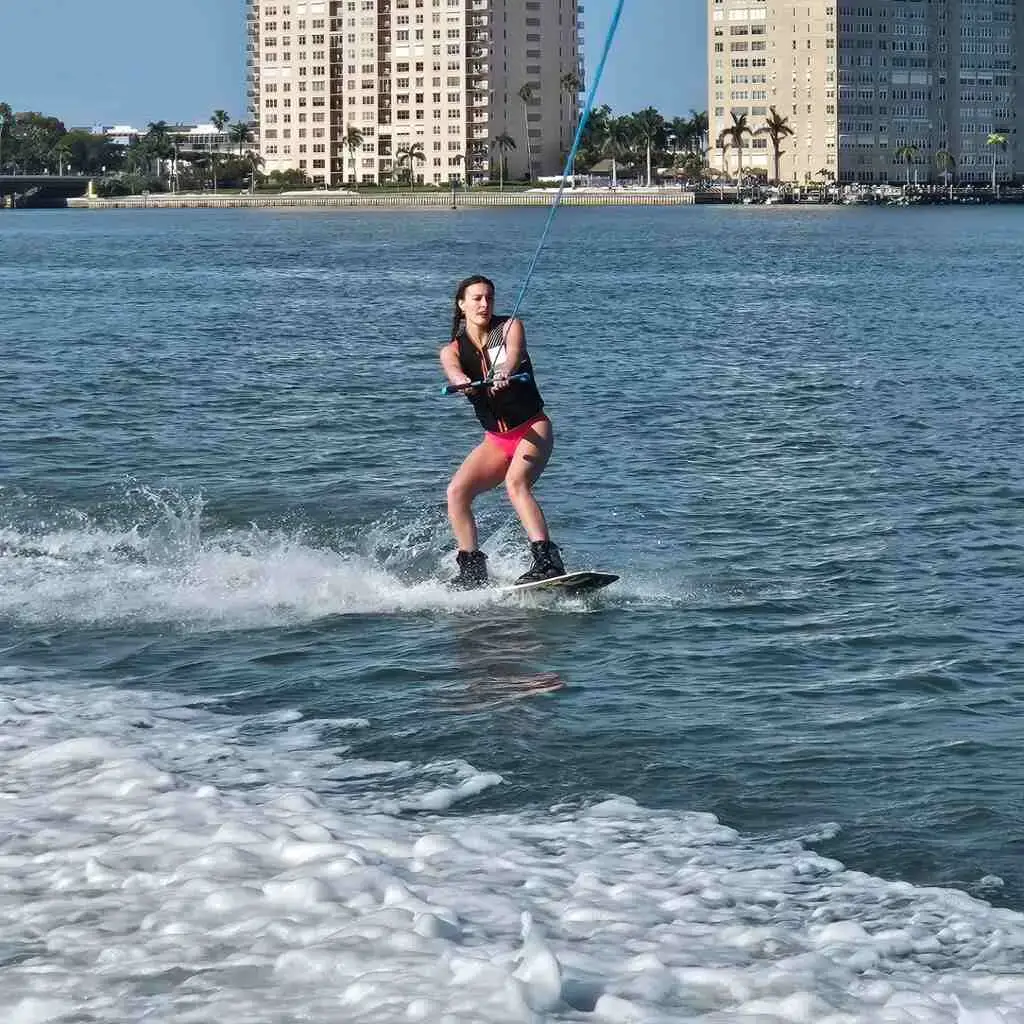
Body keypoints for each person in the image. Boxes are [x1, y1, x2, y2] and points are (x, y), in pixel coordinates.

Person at [439, 274, 565, 589]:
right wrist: (461, 383)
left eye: (489, 298)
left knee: (515, 483)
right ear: (462, 304)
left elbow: (514, 355)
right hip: (496, 440)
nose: (484, 304)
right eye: (477, 298)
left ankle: (547, 562)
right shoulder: (452, 350)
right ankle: (472, 571)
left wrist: (505, 370)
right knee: (457, 492)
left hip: (532, 428)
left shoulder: (509, 328)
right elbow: (454, 371)